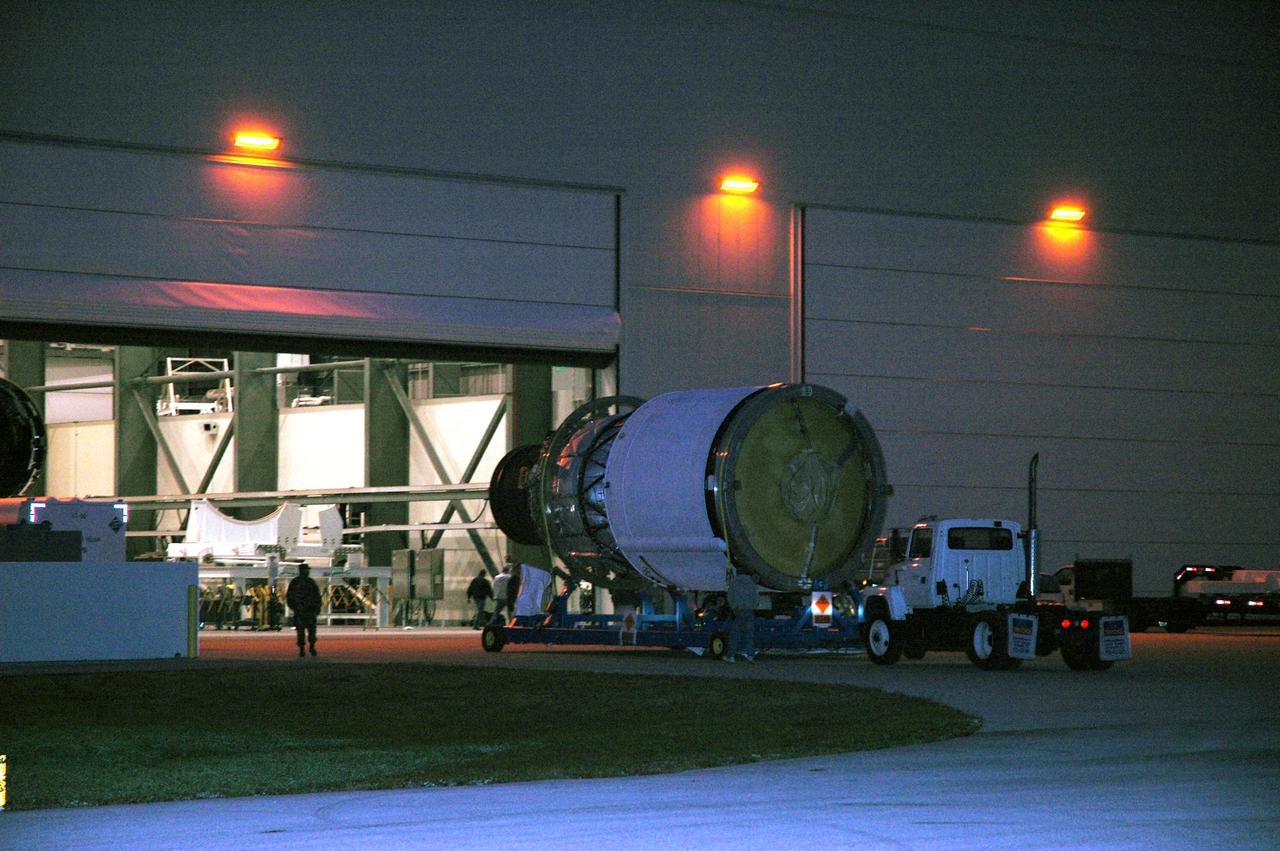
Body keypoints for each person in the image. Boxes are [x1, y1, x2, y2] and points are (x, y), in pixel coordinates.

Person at [286, 564, 322, 657]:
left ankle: (309, 647)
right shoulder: (307, 582)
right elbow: (317, 596)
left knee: (308, 631)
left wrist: (294, 607)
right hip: (304, 611)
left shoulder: (297, 582)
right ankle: (305, 648)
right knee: (304, 631)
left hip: (306, 611)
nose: (307, 572)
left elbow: (317, 596)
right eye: (306, 570)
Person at [724, 572, 759, 663]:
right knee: (750, 634)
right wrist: (752, 607)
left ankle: (731, 656)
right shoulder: (752, 583)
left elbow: (730, 596)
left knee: (735, 634)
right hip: (749, 610)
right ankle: (750, 655)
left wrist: (733, 608)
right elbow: (756, 599)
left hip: (738, 610)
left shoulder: (735, 583)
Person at [491, 558, 514, 624]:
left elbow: (494, 586)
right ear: (508, 571)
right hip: (507, 597)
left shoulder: (497, 577)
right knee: (511, 611)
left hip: (498, 597)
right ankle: (511, 623)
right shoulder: (509, 577)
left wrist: (495, 595)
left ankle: (492, 623)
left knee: (496, 612)